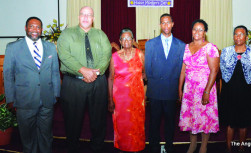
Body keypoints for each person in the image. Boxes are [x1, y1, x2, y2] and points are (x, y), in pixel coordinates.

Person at [57, 6, 111, 153]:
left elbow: (106, 55)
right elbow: (64, 55)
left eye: (89, 15)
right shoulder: (67, 34)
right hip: (73, 84)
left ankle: (97, 147)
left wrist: (95, 72)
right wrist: (84, 70)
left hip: (98, 82)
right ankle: (73, 148)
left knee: (99, 120)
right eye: (83, 14)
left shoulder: (101, 35)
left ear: (93, 19)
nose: (86, 17)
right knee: (72, 121)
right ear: (79, 16)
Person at [3, 16, 61, 153]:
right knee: (28, 139)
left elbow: (55, 72)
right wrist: (10, 99)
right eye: (31, 26)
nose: (35, 29)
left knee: (46, 137)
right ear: (26, 28)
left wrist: (56, 95)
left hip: (47, 101)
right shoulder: (13, 48)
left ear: (41, 30)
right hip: (24, 101)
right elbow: (8, 75)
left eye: (38, 27)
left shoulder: (50, 47)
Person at [145, 13, 185, 153]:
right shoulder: (150, 44)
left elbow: (181, 68)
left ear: (173, 24)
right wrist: (154, 83)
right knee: (154, 121)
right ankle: (154, 147)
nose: (166, 25)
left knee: (170, 122)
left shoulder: (181, 45)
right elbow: (147, 68)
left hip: (171, 90)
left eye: (168, 22)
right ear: (160, 25)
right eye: (163, 23)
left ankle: (169, 146)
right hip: (155, 89)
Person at [178, 19, 220, 153]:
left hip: (204, 89)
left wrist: (207, 91)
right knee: (191, 117)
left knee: (204, 117)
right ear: (191, 31)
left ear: (205, 33)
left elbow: (214, 71)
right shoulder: (186, 47)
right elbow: (183, 70)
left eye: (200, 29)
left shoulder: (210, 48)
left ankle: (203, 146)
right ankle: (193, 144)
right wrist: (180, 88)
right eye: (195, 29)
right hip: (189, 89)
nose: (197, 32)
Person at [219, 25, 251, 153]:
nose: (238, 37)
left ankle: (242, 147)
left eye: (241, 34)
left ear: (246, 37)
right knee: (230, 122)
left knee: (244, 122)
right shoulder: (226, 51)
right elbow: (222, 68)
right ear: (233, 36)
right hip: (229, 91)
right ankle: (228, 147)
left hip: (246, 92)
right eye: (236, 34)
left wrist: (248, 77)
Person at [108, 28, 146, 152]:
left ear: (133, 40)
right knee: (123, 125)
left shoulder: (140, 54)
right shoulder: (114, 57)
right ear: (119, 41)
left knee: (136, 124)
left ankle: (137, 147)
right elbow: (110, 79)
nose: (126, 40)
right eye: (123, 38)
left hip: (137, 99)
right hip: (120, 100)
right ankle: (123, 148)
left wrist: (139, 85)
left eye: (128, 38)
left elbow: (145, 74)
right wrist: (110, 100)